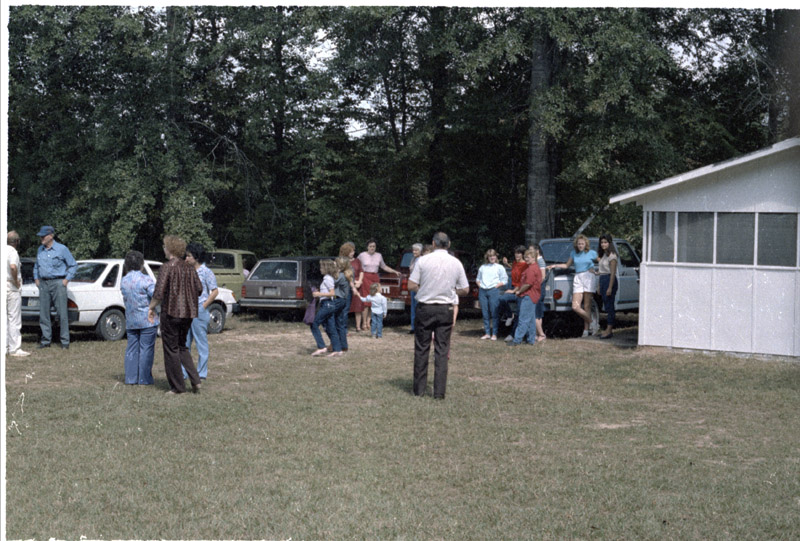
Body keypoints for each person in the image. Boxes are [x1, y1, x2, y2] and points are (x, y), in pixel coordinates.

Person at [408, 232, 469, 400]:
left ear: (433, 244)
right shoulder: (456, 262)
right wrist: (450, 290)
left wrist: (426, 290)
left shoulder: (423, 261)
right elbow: (465, 289)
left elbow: (411, 284)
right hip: (445, 309)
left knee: (422, 348)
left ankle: (419, 390)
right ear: (448, 244)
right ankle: (439, 392)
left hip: (425, 307)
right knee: (442, 350)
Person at [148, 235, 203, 394]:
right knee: (182, 347)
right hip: (188, 314)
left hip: (171, 313)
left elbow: (159, 293)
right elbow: (199, 289)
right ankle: (196, 381)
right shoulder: (190, 268)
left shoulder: (167, 267)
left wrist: (150, 308)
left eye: (165, 247)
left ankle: (178, 387)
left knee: (171, 349)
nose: (163, 249)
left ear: (170, 249)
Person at [33, 225, 77, 349]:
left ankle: (64, 342)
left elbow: (73, 265)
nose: (41, 238)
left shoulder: (62, 249)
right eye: (40, 236)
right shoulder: (40, 250)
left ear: (51, 236)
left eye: (43, 236)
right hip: (44, 284)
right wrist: (36, 278)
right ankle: (46, 341)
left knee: (62, 313)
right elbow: (36, 266)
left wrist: (65, 280)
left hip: (58, 283)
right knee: (44, 314)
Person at [547, 234, 598, 337]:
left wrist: (597, 270)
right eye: (579, 244)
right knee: (575, 306)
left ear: (586, 244)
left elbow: (602, 262)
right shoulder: (574, 253)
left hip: (588, 277)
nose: (580, 245)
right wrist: (555, 265)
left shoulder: (591, 253)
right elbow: (566, 265)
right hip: (578, 277)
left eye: (582, 244)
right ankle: (592, 322)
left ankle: (586, 330)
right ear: (576, 244)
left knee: (587, 305)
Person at [120, 251, 158, 384]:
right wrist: (154, 308)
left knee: (131, 349)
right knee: (146, 350)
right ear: (142, 264)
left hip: (131, 320)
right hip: (147, 320)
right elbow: (157, 295)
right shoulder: (146, 279)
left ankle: (130, 378)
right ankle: (144, 378)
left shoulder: (123, 280)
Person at [183, 243, 218, 380]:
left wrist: (203, 306)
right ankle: (184, 372)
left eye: (189, 256)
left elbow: (214, 291)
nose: (186, 258)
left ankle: (201, 373)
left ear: (196, 257)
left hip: (199, 310)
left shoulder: (206, 272)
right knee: (185, 343)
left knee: (201, 343)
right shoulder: (186, 271)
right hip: (186, 310)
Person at [357, 239, 400, 332]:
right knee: (366, 301)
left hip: (375, 278)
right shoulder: (362, 255)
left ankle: (369, 322)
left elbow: (384, 266)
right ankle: (363, 323)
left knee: (373, 301)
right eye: (370, 246)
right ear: (367, 247)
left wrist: (394, 271)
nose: (372, 248)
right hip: (365, 277)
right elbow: (357, 266)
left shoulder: (379, 255)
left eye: (374, 246)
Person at [507, 249, 543, 346]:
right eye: (525, 257)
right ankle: (531, 340)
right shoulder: (533, 267)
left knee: (523, 319)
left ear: (534, 258)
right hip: (533, 296)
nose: (526, 259)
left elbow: (528, 284)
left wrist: (519, 291)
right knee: (531, 319)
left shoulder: (531, 269)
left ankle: (517, 340)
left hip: (528, 296)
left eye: (528, 257)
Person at [309, 259, 342, 357]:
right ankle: (337, 349)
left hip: (327, 304)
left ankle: (321, 346)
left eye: (321, 267)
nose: (320, 269)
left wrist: (319, 294)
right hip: (329, 305)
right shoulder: (328, 278)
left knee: (314, 324)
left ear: (326, 268)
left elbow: (332, 293)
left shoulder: (327, 278)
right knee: (331, 327)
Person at [6, 231, 30, 357]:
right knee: (14, 318)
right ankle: (14, 348)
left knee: (4, 318)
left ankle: (5, 346)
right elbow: (13, 267)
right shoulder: (12, 252)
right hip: (11, 286)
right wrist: (16, 281)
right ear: (17, 241)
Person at [476, 249, 507, 341]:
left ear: (496, 257)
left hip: (493, 290)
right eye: (490, 256)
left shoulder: (500, 267)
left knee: (494, 313)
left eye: (493, 256)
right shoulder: (482, 267)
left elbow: (505, 280)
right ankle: (487, 333)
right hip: (483, 291)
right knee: (485, 313)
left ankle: (494, 333)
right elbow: (478, 279)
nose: (492, 258)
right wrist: (480, 285)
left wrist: (497, 285)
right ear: (487, 257)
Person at [500, 246, 528, 342]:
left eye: (519, 253)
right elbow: (515, 270)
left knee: (519, 314)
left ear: (523, 254)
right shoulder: (515, 263)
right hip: (514, 289)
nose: (517, 255)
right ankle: (509, 315)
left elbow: (522, 281)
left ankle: (512, 335)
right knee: (502, 299)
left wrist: (514, 291)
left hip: (521, 290)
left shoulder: (526, 265)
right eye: (516, 253)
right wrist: (506, 264)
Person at [595, 234, 618, 339]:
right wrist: (599, 286)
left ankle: (609, 330)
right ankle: (607, 329)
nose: (603, 244)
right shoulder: (604, 255)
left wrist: (609, 287)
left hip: (610, 280)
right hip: (603, 279)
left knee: (609, 306)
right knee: (606, 306)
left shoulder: (612, 256)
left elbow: (612, 273)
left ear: (610, 243)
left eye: (605, 242)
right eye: (602, 242)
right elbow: (601, 272)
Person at [342, 242, 366, 332]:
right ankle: (343, 328)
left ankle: (357, 326)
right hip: (347, 286)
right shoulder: (342, 262)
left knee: (358, 306)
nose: (353, 253)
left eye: (354, 251)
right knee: (345, 308)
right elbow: (344, 274)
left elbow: (361, 271)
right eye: (351, 251)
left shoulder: (357, 261)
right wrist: (354, 281)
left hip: (357, 285)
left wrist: (359, 281)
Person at [334, 255, 355, 351]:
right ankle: (343, 345)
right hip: (345, 299)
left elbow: (333, 282)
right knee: (341, 323)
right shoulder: (349, 273)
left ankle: (338, 344)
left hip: (339, 299)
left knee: (336, 322)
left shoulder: (341, 276)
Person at [529, 243, 548, 343]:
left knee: (536, 313)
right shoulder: (537, 261)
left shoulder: (540, 261)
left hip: (538, 290)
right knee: (538, 314)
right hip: (537, 290)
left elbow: (542, 277)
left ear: (537, 251)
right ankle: (537, 334)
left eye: (531, 251)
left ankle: (541, 334)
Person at [408, 243, 423, 334]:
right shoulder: (413, 260)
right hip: (413, 286)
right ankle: (413, 327)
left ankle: (419, 327)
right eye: (413, 250)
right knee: (413, 307)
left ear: (420, 251)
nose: (414, 252)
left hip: (419, 286)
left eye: (416, 250)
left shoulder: (421, 260)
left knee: (419, 307)